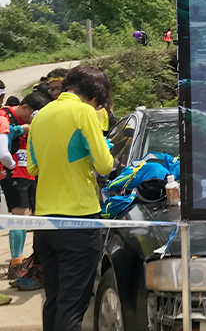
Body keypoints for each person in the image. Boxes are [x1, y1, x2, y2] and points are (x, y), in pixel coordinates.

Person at [28, 65, 114, 331]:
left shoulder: (41, 115)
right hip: (78, 219)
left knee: (53, 299)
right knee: (73, 304)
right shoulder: (84, 112)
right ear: (94, 96)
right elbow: (104, 165)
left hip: (44, 221)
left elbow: (32, 167)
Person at [0, 92, 50, 281]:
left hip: (29, 172)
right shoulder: (4, 116)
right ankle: (16, 263)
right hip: (13, 173)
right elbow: (2, 147)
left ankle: (25, 260)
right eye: (34, 115)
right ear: (25, 108)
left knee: (28, 216)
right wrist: (20, 130)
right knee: (19, 216)